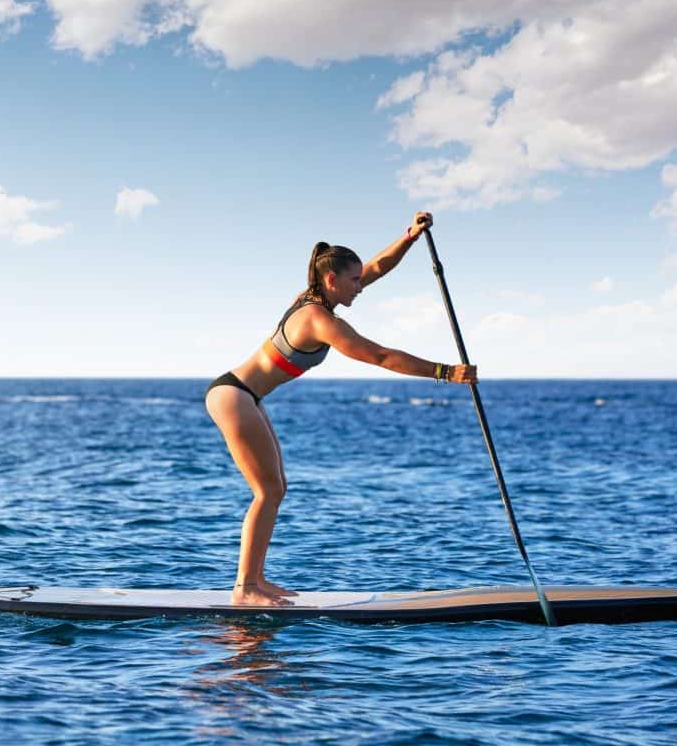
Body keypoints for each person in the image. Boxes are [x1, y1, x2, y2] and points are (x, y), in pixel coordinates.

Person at [204, 212, 478, 606]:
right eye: (353, 281)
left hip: (245, 396)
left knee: (275, 488)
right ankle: (245, 588)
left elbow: (377, 267)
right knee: (267, 490)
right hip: (234, 395)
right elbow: (380, 356)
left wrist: (411, 236)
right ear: (332, 280)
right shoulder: (317, 319)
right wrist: (445, 372)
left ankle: (256, 580)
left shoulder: (315, 296)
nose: (360, 287)